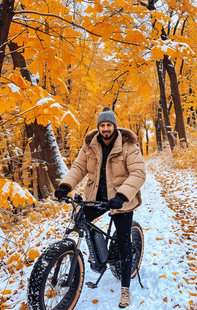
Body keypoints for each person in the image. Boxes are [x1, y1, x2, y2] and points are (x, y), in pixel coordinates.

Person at [55, 107, 146, 308]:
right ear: (98, 127)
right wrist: (65, 186)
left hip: (120, 200)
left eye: (109, 125)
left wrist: (122, 195)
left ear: (114, 126)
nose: (105, 129)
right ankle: (96, 255)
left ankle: (125, 289)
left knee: (123, 243)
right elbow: (78, 168)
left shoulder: (128, 146)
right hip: (95, 197)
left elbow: (138, 173)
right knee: (80, 222)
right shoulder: (90, 146)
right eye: (102, 125)